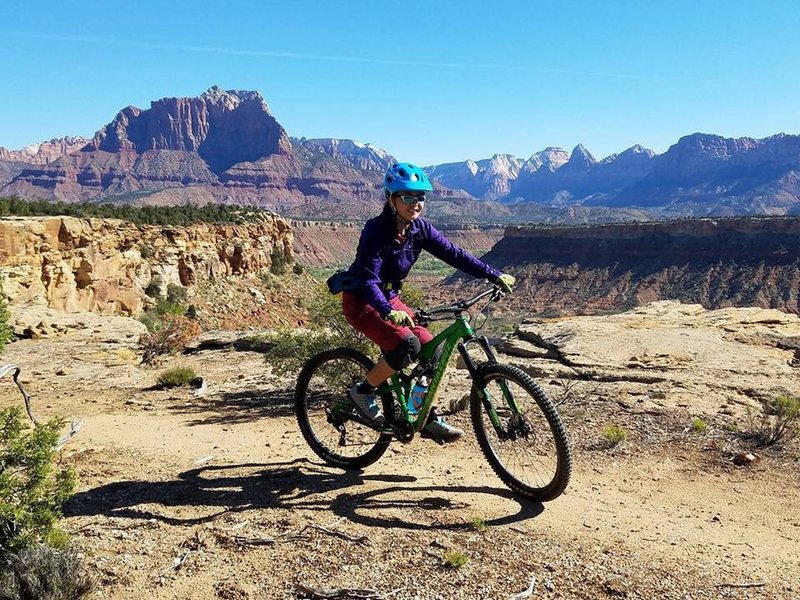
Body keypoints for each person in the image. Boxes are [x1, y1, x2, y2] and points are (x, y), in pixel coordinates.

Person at [341, 162, 515, 442]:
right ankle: (363, 391)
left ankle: (422, 415)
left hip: (391, 299)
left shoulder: (419, 229)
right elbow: (368, 279)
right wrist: (387, 311)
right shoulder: (376, 229)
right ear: (391, 199)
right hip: (363, 300)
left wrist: (494, 275)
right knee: (406, 345)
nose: (416, 203)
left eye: (420, 197)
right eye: (408, 197)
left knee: (432, 350)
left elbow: (455, 254)